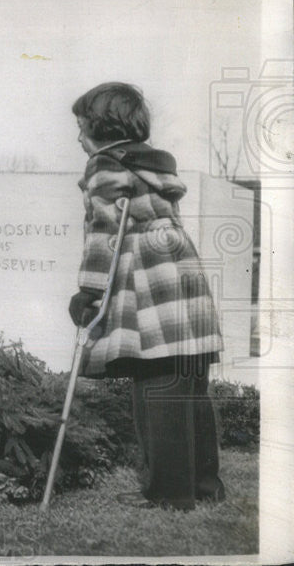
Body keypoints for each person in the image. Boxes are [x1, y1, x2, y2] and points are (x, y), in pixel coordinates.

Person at [68, 82, 226, 510]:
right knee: (189, 384)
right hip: (183, 276)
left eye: (81, 127)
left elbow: (104, 235)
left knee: (155, 384)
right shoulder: (156, 167)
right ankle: (205, 486)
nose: (78, 138)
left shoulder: (105, 165)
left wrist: (89, 291)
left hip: (149, 283)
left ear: (101, 127)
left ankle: (170, 493)